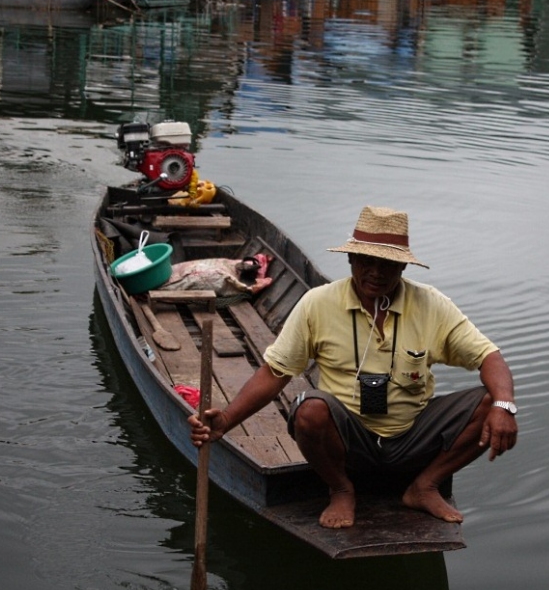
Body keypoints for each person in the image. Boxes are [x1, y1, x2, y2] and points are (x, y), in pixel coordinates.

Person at [189, 206, 518, 529]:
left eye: (387, 263)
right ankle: (342, 488)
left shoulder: (430, 304)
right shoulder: (318, 303)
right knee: (309, 410)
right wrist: (227, 420)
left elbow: (490, 357)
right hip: (347, 442)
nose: (376, 272)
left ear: (403, 266)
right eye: (366, 261)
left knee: (494, 402)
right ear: (350, 260)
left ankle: (425, 486)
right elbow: (275, 373)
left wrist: (505, 405)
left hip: (412, 436)